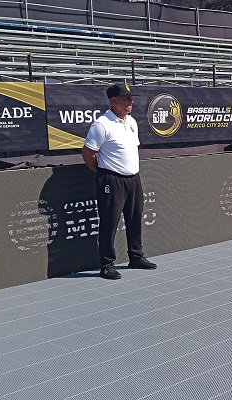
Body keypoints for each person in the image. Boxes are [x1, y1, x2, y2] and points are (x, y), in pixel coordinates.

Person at [81, 83, 157, 280]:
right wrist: (103, 172)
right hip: (111, 179)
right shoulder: (101, 125)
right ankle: (106, 265)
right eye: (126, 98)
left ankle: (136, 257)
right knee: (109, 223)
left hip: (133, 179)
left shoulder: (131, 122)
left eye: (131, 98)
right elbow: (88, 153)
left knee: (135, 220)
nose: (131, 102)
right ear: (113, 101)